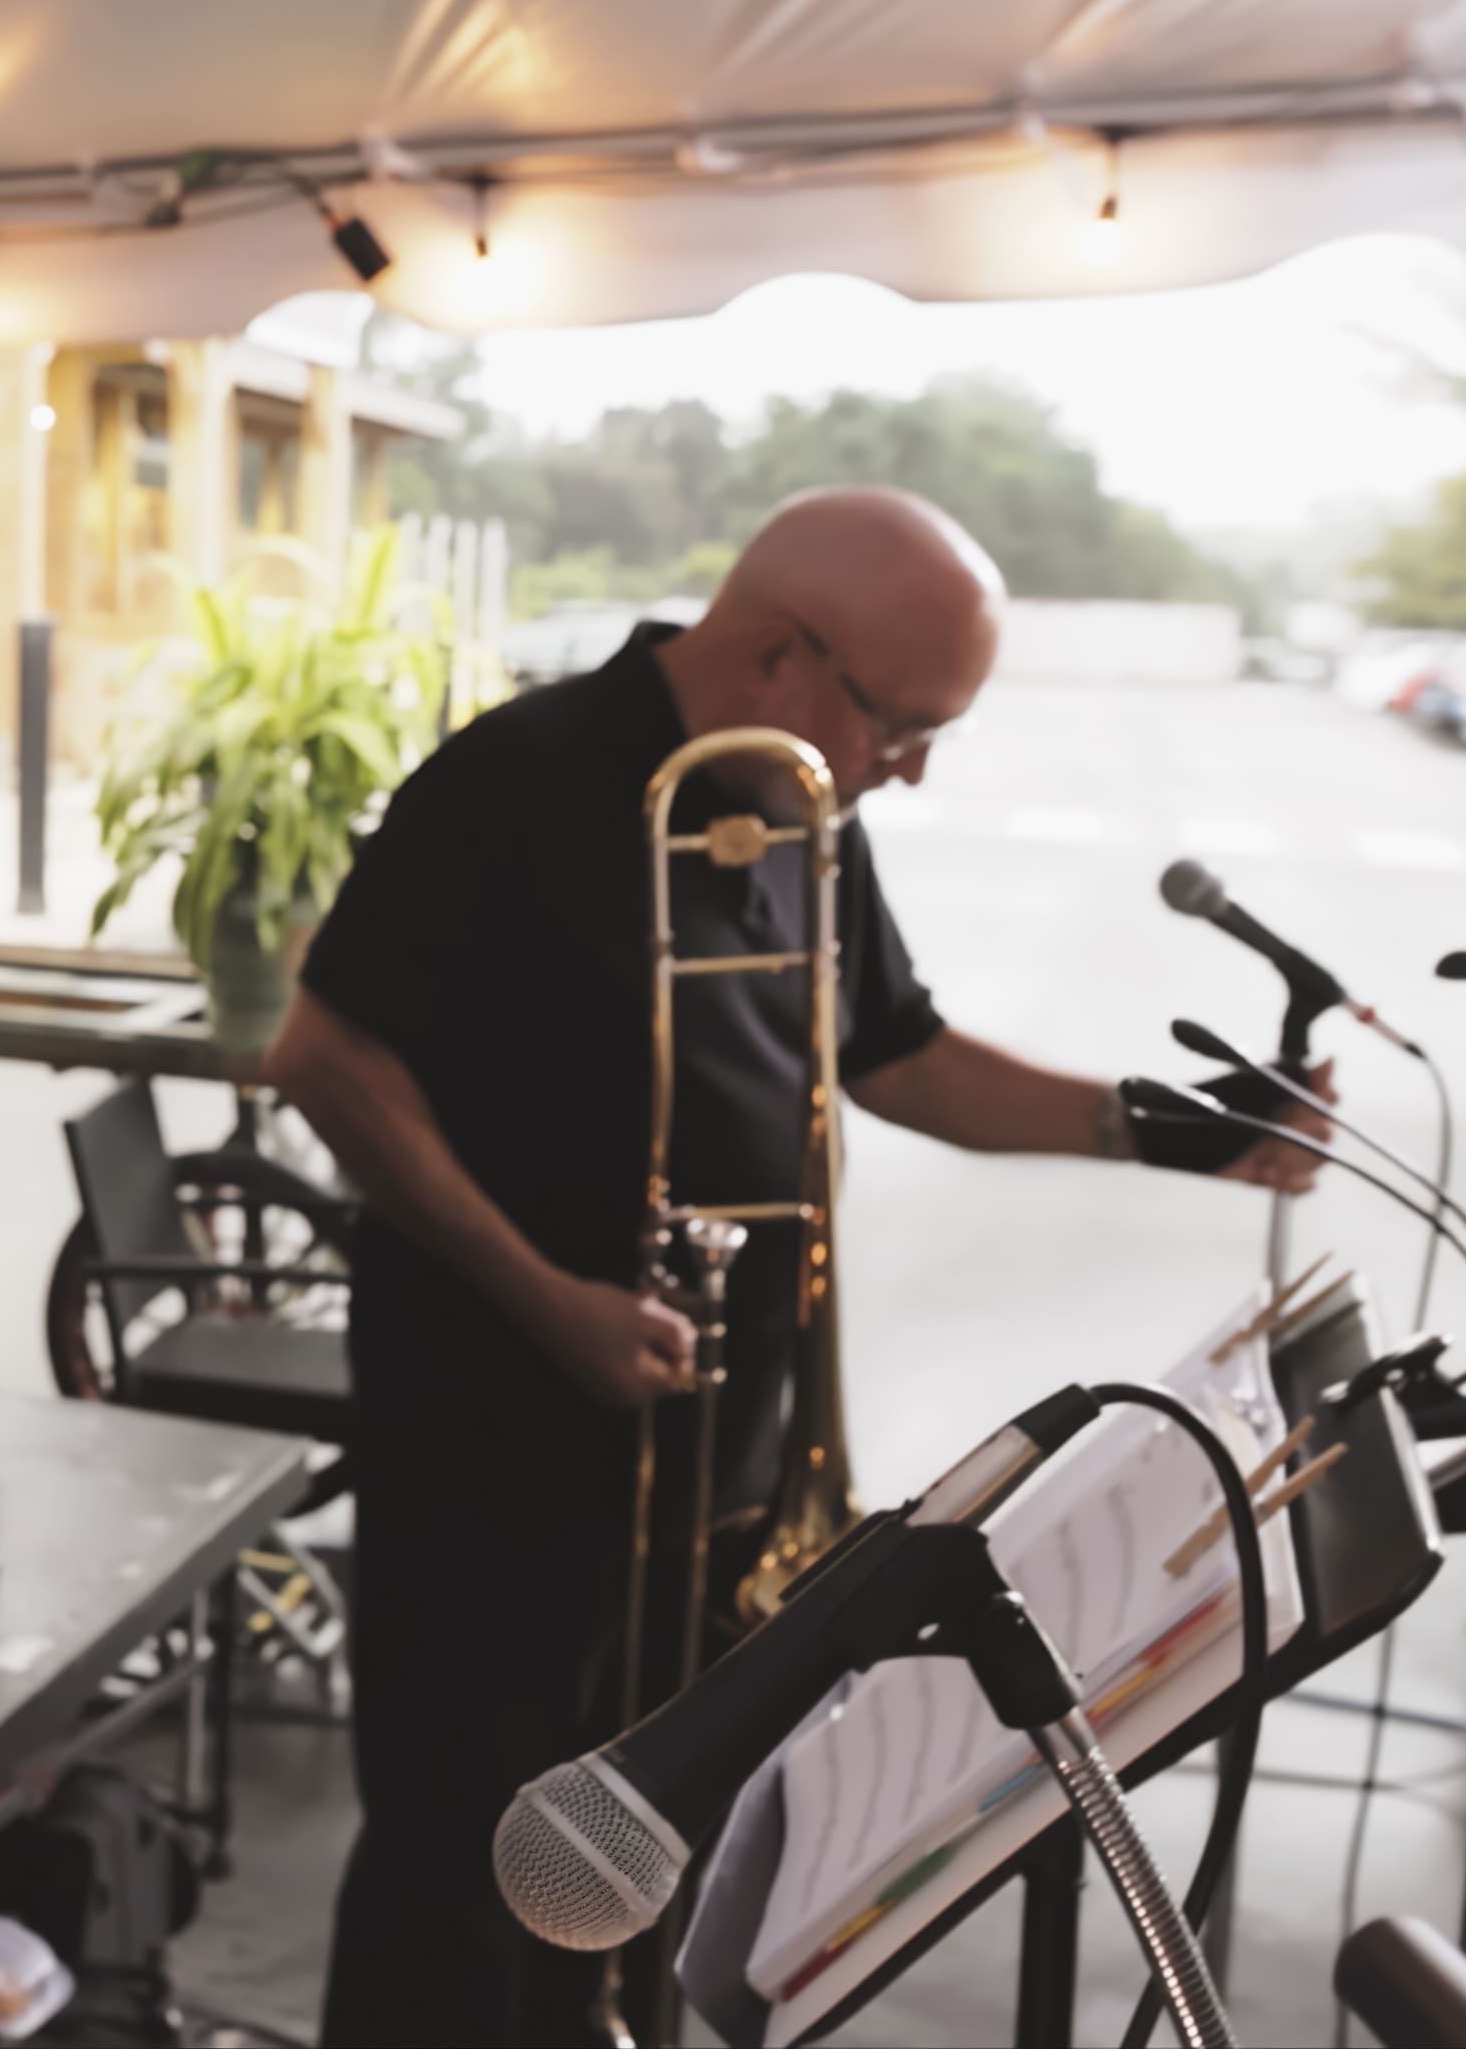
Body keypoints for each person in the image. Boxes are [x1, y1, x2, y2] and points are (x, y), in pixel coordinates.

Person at [268, 486, 1330, 2047]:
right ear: (780, 650)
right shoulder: (519, 777)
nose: (909, 767)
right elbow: (326, 1056)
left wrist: (1173, 1128)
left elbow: (894, 1058)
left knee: (651, 1858)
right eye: (905, 723)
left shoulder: (796, 801)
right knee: (464, 1867)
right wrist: (542, 1295)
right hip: (499, 1447)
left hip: (721, 1458)